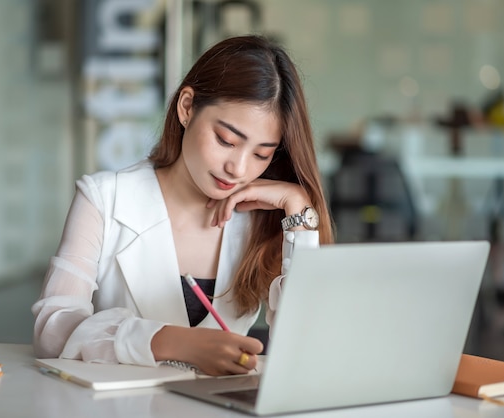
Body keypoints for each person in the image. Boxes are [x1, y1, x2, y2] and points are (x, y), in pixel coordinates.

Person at [32, 35, 334, 376]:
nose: (239, 168)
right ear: (187, 107)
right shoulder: (104, 199)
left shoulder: (266, 219)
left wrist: (299, 211)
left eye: (262, 154)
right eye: (226, 140)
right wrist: (169, 342)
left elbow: (311, 343)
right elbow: (52, 329)